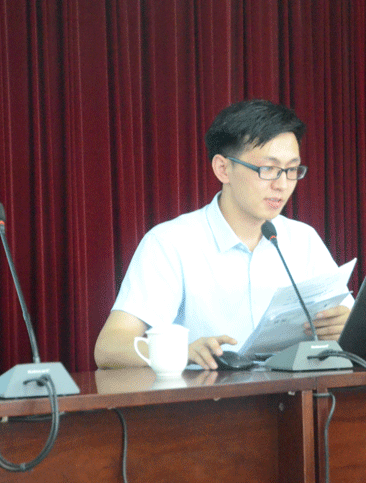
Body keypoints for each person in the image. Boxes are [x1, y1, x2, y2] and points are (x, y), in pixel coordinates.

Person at [94, 99, 351, 370]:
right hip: (207, 394)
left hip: (294, 393)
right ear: (223, 169)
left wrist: (343, 326)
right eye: (268, 169)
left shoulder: (302, 239)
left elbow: (351, 321)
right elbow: (110, 347)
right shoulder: (171, 242)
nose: (282, 184)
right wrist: (180, 352)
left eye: (291, 170)